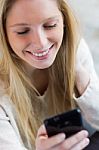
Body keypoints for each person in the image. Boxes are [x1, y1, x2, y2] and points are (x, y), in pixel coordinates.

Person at [0, 0, 99, 149]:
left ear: (64, 21)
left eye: (50, 25)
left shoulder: (76, 50)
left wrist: (77, 72)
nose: (41, 42)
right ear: (4, 34)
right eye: (22, 31)